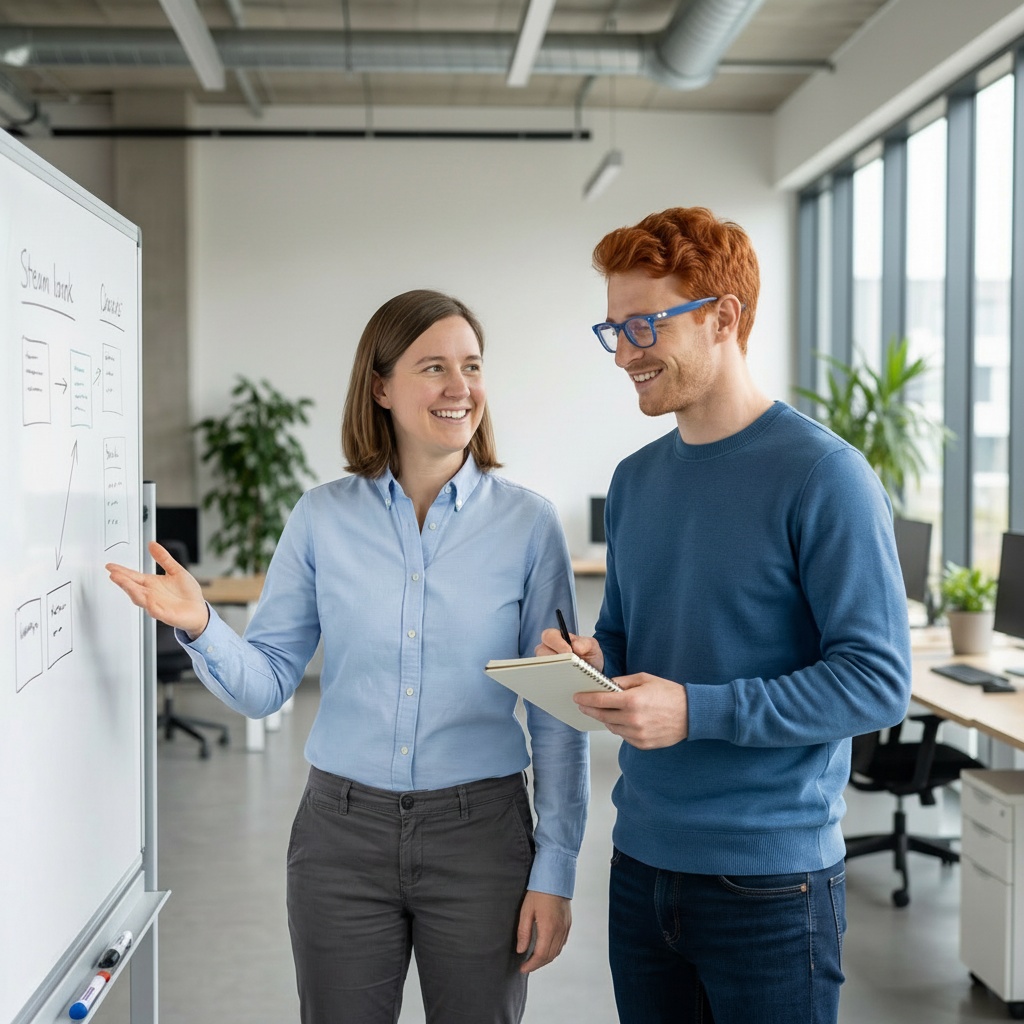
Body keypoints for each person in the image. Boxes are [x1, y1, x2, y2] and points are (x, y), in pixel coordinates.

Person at [108, 289, 590, 1024]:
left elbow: (558, 713)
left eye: (472, 366)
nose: (460, 388)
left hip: (481, 840)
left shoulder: (529, 526)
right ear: (382, 386)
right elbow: (268, 682)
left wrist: (555, 870)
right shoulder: (321, 517)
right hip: (341, 837)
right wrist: (202, 622)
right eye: (434, 367)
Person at [536, 207, 912, 1024]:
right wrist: (589, 663)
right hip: (640, 866)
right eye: (613, 328)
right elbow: (633, 636)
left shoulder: (825, 476)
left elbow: (878, 681)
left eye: (644, 324)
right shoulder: (636, 480)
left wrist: (695, 709)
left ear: (724, 318)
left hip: (772, 884)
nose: (626, 352)